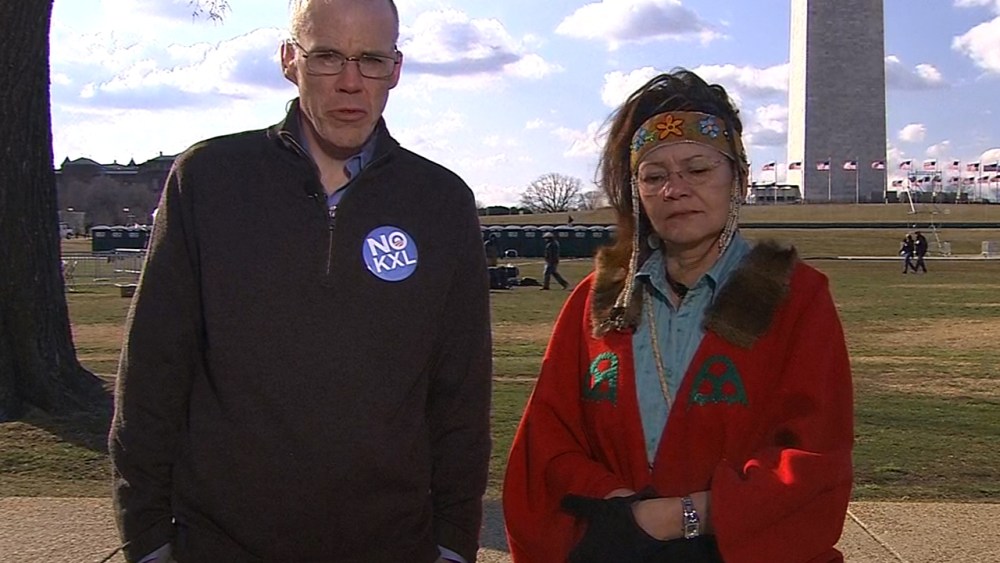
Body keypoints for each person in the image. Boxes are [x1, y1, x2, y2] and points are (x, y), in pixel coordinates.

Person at [109, 1, 492, 562]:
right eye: (328, 57)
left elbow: (461, 393)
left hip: (391, 544)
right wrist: (146, 540)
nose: (351, 82)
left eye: (371, 60)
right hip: (223, 544)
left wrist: (454, 543)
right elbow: (152, 371)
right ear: (290, 60)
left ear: (396, 70)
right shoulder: (210, 180)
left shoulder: (441, 202)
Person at [503, 69, 854, 563]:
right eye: (655, 177)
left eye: (697, 169)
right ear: (637, 192)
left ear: (739, 179)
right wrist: (619, 509)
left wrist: (681, 518)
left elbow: (814, 457)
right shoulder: (596, 303)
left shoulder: (795, 297)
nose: (675, 190)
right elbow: (548, 442)